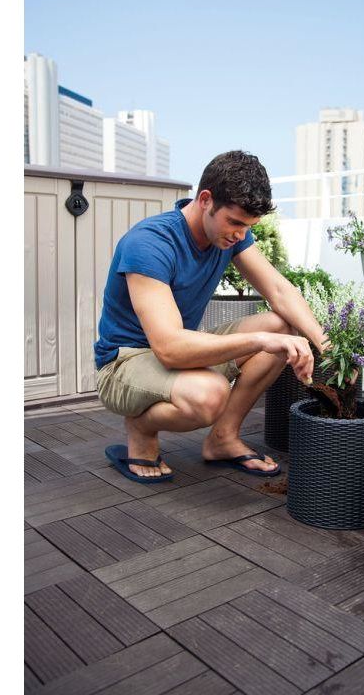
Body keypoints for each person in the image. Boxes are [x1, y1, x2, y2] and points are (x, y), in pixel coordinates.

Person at [94, 150, 327, 483]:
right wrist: (260, 340)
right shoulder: (149, 243)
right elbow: (170, 349)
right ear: (205, 200)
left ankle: (222, 439)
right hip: (124, 363)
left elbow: (279, 290)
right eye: (235, 223)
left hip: (175, 351)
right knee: (210, 393)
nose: (240, 234)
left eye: (248, 227)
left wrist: (328, 346)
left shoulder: (231, 236)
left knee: (282, 325)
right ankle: (141, 428)